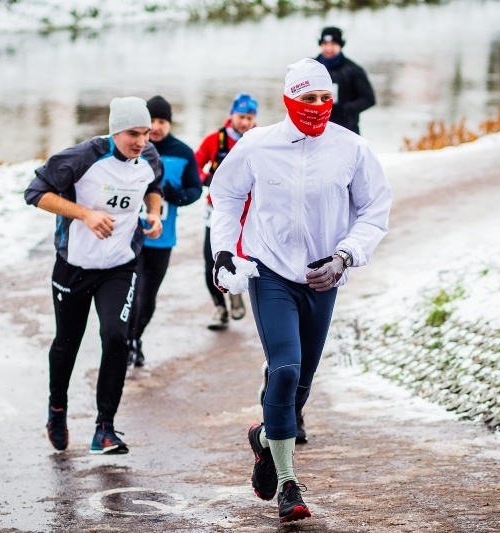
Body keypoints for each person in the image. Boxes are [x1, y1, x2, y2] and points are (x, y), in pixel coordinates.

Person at [209, 58, 392, 523]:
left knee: (301, 387)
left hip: (323, 277)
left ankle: (267, 441)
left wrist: (345, 256)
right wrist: (224, 251)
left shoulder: (351, 149)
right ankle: (288, 485)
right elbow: (225, 194)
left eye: (324, 98)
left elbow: (375, 210)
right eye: (307, 99)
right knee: (285, 369)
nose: (317, 107)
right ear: (289, 99)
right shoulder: (257, 145)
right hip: (270, 273)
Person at [24, 96, 163, 454]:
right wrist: (85, 214)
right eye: (133, 133)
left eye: (146, 133)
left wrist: (155, 213)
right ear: (115, 130)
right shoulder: (84, 157)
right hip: (74, 266)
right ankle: (57, 409)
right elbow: (36, 193)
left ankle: (105, 428)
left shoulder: (148, 157)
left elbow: (153, 186)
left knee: (117, 336)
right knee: (67, 342)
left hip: (120, 265)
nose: (142, 141)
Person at [126, 95, 203, 368]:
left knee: (148, 298)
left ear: (169, 123)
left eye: (162, 121)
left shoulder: (182, 152)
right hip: (130, 236)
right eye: (152, 121)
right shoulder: (133, 147)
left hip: (163, 239)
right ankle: (127, 344)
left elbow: (195, 189)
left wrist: (176, 195)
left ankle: (136, 338)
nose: (156, 127)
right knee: (131, 294)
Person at [195, 93, 258, 330]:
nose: (245, 123)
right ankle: (219, 308)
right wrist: (206, 178)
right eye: (241, 117)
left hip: (249, 212)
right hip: (217, 208)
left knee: (244, 255)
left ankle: (236, 290)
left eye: (250, 118)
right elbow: (195, 165)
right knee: (210, 258)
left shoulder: (259, 140)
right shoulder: (214, 140)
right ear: (231, 115)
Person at [314, 26, 375, 135]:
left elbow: (369, 99)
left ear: (341, 45)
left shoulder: (354, 70)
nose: (329, 48)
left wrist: (343, 109)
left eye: (333, 44)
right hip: (316, 127)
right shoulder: (310, 67)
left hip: (347, 129)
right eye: (325, 44)